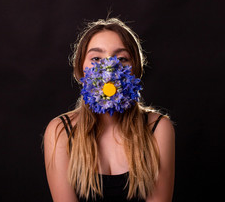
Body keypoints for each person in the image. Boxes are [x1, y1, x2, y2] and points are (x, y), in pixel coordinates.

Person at [43, 18, 175, 202]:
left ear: (135, 69)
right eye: (96, 58)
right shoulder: (60, 132)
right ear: (80, 70)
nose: (109, 69)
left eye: (121, 59)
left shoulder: (158, 128)